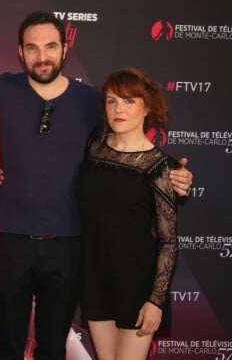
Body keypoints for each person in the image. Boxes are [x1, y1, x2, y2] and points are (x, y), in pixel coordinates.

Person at [0, 12, 193, 360]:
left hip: (69, 247)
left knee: (54, 349)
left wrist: (176, 175)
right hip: (10, 241)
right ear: (20, 52)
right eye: (32, 48)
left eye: (51, 46)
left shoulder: (90, 102)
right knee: (6, 346)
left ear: (65, 48)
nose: (42, 56)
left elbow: (129, 153)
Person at [76, 68, 179, 360]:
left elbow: (169, 241)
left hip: (138, 283)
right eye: (111, 101)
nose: (118, 109)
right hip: (95, 277)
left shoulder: (159, 167)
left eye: (129, 101)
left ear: (147, 108)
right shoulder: (92, 149)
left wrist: (155, 301)